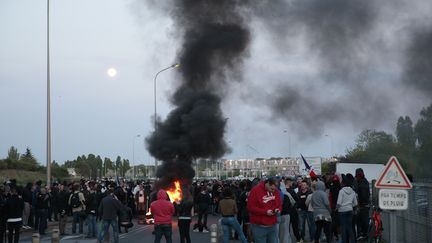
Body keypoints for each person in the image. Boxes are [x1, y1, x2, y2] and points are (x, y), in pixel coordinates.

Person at [247, 177, 282, 243]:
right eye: (272, 189)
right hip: (259, 226)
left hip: (272, 225)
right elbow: (250, 207)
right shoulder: (255, 190)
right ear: (268, 183)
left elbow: (279, 204)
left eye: (275, 189)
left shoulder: (276, 191)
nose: (273, 191)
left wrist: (278, 209)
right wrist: (265, 212)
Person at [337, 174, 358, 243]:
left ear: (343, 183)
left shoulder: (341, 191)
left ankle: (344, 241)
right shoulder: (353, 191)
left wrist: (336, 209)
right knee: (350, 228)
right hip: (350, 211)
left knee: (343, 228)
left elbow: (339, 203)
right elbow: (355, 203)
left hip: (342, 211)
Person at [354, 168, 370, 241]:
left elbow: (362, 195)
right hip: (364, 205)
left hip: (362, 205)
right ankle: (363, 234)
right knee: (361, 221)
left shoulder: (359, 182)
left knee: (361, 221)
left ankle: (363, 235)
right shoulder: (364, 181)